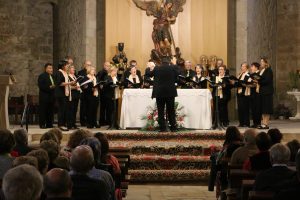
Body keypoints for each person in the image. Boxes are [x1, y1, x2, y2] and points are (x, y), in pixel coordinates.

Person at [149, 56, 179, 132]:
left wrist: (151, 67)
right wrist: (175, 64)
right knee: (171, 110)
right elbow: (178, 74)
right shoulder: (172, 68)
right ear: (169, 62)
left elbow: (150, 75)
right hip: (170, 93)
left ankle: (162, 128)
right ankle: (173, 127)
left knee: (160, 111)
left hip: (159, 93)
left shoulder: (157, 68)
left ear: (161, 62)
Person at [55, 60, 74, 131]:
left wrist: (71, 82)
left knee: (64, 109)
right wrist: (69, 83)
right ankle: (61, 124)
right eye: (66, 65)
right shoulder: (59, 72)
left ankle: (64, 123)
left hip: (65, 94)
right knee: (61, 110)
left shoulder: (65, 73)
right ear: (62, 66)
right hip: (60, 94)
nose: (68, 67)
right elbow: (59, 83)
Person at [233, 62, 251, 127]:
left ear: (247, 67)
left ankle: (246, 123)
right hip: (239, 93)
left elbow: (246, 83)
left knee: (245, 108)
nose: (242, 68)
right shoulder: (240, 74)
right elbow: (237, 82)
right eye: (242, 66)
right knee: (240, 108)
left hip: (245, 94)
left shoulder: (248, 75)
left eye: (243, 66)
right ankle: (241, 123)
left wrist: (239, 82)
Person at [257, 57, 274, 129]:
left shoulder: (269, 70)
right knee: (263, 108)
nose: (261, 63)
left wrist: (258, 81)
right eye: (260, 62)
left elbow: (267, 80)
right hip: (262, 91)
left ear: (266, 63)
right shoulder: (262, 70)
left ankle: (266, 123)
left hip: (267, 92)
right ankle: (263, 123)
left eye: (262, 62)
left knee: (266, 108)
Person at [38, 63, 55, 129]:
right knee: (43, 111)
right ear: (45, 69)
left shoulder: (52, 76)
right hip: (44, 97)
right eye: (49, 68)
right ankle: (42, 124)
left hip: (51, 97)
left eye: (51, 68)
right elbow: (41, 86)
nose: (51, 69)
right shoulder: (42, 76)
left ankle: (49, 124)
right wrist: (49, 87)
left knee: (50, 111)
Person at [78, 60, 92, 126]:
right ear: (84, 65)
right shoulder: (80, 72)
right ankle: (82, 121)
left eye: (90, 65)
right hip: (83, 92)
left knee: (89, 107)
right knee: (83, 107)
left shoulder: (92, 72)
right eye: (88, 65)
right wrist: (83, 84)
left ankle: (88, 120)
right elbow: (79, 81)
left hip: (90, 92)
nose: (89, 66)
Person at [97, 61, 111, 126]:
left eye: (109, 66)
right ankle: (102, 121)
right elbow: (98, 81)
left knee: (108, 107)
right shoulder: (101, 72)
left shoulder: (109, 72)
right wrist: (101, 85)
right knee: (103, 107)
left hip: (108, 92)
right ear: (104, 65)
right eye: (107, 66)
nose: (108, 67)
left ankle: (107, 121)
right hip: (103, 92)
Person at [68, 65, 81, 129]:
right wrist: (75, 87)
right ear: (69, 70)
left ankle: (73, 123)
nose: (74, 70)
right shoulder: (68, 77)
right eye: (72, 68)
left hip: (76, 95)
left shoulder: (75, 76)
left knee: (75, 110)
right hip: (72, 95)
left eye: (74, 69)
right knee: (71, 109)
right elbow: (68, 86)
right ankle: (70, 124)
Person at [249, 62, 262, 128]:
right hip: (253, 92)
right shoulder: (252, 74)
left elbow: (260, 81)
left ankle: (258, 123)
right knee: (253, 108)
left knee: (257, 108)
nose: (251, 68)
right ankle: (254, 123)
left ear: (256, 67)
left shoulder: (260, 73)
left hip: (258, 93)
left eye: (252, 66)